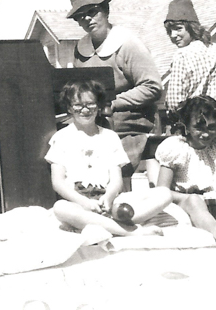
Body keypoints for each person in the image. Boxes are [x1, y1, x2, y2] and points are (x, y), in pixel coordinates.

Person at [46, 80, 171, 237]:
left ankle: (107, 221)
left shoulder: (110, 137)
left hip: (111, 203)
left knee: (164, 194)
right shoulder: (61, 138)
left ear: (98, 106)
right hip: (79, 204)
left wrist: (109, 197)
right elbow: (58, 183)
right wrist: (84, 202)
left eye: (90, 104)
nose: (85, 110)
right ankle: (129, 231)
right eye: (78, 105)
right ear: (70, 108)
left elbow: (116, 179)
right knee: (60, 208)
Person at [66, 0, 163, 185]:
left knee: (110, 173)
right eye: (80, 16)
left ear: (105, 11)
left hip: (131, 130)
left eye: (93, 12)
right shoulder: (80, 48)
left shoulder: (127, 43)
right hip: (93, 126)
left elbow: (152, 86)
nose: (87, 19)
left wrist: (113, 104)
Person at [155, 95, 216, 238]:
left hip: (212, 201)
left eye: (212, 127)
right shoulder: (177, 148)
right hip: (185, 201)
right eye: (199, 128)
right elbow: (162, 191)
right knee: (195, 201)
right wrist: (192, 197)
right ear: (187, 126)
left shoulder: (213, 149)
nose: (206, 133)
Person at [163, 0, 216, 115]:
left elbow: (174, 102)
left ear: (192, 28)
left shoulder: (181, 55)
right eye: (170, 31)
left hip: (191, 123)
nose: (173, 35)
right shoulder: (214, 49)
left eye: (178, 29)